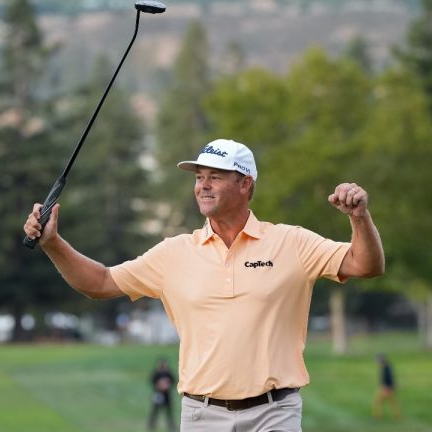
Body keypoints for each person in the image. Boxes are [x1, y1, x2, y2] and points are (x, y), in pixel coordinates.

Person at [23, 138, 385, 431]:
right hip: (202, 415)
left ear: (246, 184)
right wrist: (53, 243)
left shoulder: (291, 242)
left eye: (216, 176)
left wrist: (359, 218)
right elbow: (100, 282)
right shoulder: (174, 253)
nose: (203, 185)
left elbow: (365, 264)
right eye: (199, 177)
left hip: (274, 414)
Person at [372, 353, 401, 420]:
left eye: (377, 360)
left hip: (386, 388)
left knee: (377, 402)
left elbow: (389, 378)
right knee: (393, 402)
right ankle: (397, 416)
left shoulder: (386, 368)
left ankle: (378, 416)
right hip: (387, 387)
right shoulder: (386, 366)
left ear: (381, 360)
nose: (376, 362)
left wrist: (389, 387)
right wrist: (393, 386)